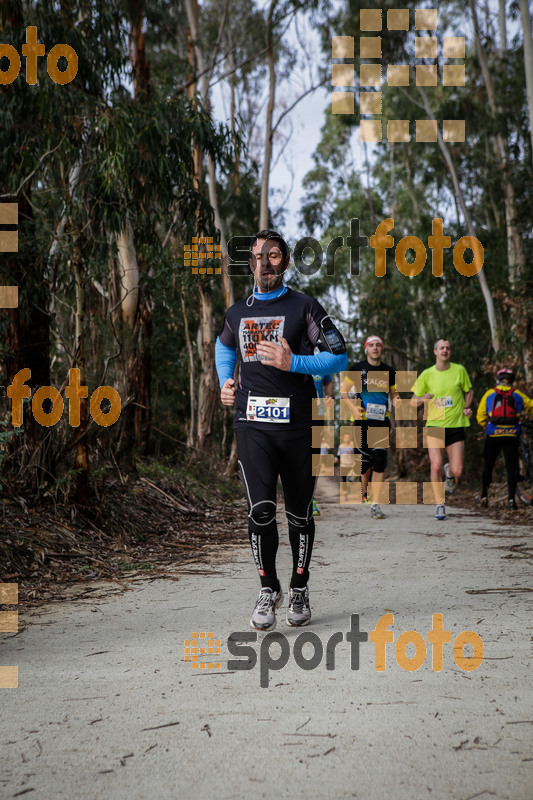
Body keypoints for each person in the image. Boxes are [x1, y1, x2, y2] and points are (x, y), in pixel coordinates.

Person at [215, 229, 348, 631]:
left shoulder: (304, 307)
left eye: (274, 255)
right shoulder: (236, 313)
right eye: (258, 256)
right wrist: (224, 381)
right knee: (260, 510)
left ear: (285, 263)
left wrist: (296, 364)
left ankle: (300, 587)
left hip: (300, 427)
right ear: (250, 262)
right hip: (252, 423)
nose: (265, 262)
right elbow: (224, 346)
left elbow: (339, 357)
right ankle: (268, 587)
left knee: (299, 513)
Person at [411, 338, 473, 520]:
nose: (445, 351)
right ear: (435, 352)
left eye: (447, 348)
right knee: (435, 464)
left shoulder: (459, 370)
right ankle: (439, 504)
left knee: (458, 470)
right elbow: (414, 400)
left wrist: (467, 407)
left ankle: (450, 472)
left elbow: (469, 391)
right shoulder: (427, 374)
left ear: (450, 352)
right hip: (434, 426)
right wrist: (423, 399)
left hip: (456, 425)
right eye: (441, 348)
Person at [339, 335, 397, 519]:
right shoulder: (357, 368)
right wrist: (353, 409)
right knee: (364, 465)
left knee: (379, 461)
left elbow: (394, 394)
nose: (375, 348)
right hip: (362, 422)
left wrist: (398, 401)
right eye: (371, 345)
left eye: (378, 345)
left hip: (381, 422)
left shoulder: (389, 370)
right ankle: (362, 488)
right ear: (366, 349)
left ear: (382, 349)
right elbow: (343, 391)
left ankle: (375, 504)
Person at [476, 368, 533, 509]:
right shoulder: (517, 394)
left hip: (493, 434)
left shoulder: (490, 394)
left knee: (488, 465)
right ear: (511, 381)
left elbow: (480, 416)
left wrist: (486, 426)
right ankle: (511, 500)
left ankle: (484, 495)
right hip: (512, 434)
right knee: (511, 467)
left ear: (498, 379)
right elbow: (531, 406)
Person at [311, 367, 333, 515]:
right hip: (294, 415)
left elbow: (328, 386)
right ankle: (295, 498)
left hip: (317, 414)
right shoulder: (293, 357)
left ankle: (310, 500)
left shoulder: (321, 363)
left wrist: (329, 397)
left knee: (314, 459)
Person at [337, 431, 356, 500]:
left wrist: (353, 449)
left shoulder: (352, 446)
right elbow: (338, 455)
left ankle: (348, 489)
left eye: (348, 437)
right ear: (344, 439)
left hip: (351, 465)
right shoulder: (341, 446)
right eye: (345, 437)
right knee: (344, 480)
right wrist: (336, 459)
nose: (347, 438)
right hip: (343, 466)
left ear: (350, 438)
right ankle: (345, 495)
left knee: (350, 480)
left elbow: (357, 454)